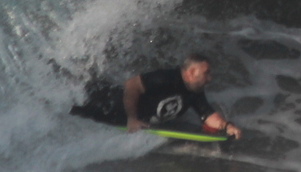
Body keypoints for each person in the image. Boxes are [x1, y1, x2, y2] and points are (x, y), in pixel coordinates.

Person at [72, 53, 242, 138]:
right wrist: (132, 118)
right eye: (206, 73)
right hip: (102, 103)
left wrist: (227, 127)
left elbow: (207, 114)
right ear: (191, 72)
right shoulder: (167, 78)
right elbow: (131, 85)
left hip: (116, 114)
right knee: (68, 104)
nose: (210, 78)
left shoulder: (194, 92)